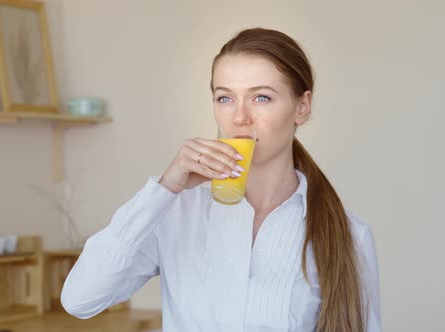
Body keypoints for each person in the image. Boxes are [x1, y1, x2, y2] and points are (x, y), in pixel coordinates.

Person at [61, 27, 381, 332]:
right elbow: (80, 301)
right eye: (225, 98)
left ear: (302, 107)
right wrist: (164, 188)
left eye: (261, 98)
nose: (239, 117)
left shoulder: (349, 235)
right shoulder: (175, 212)